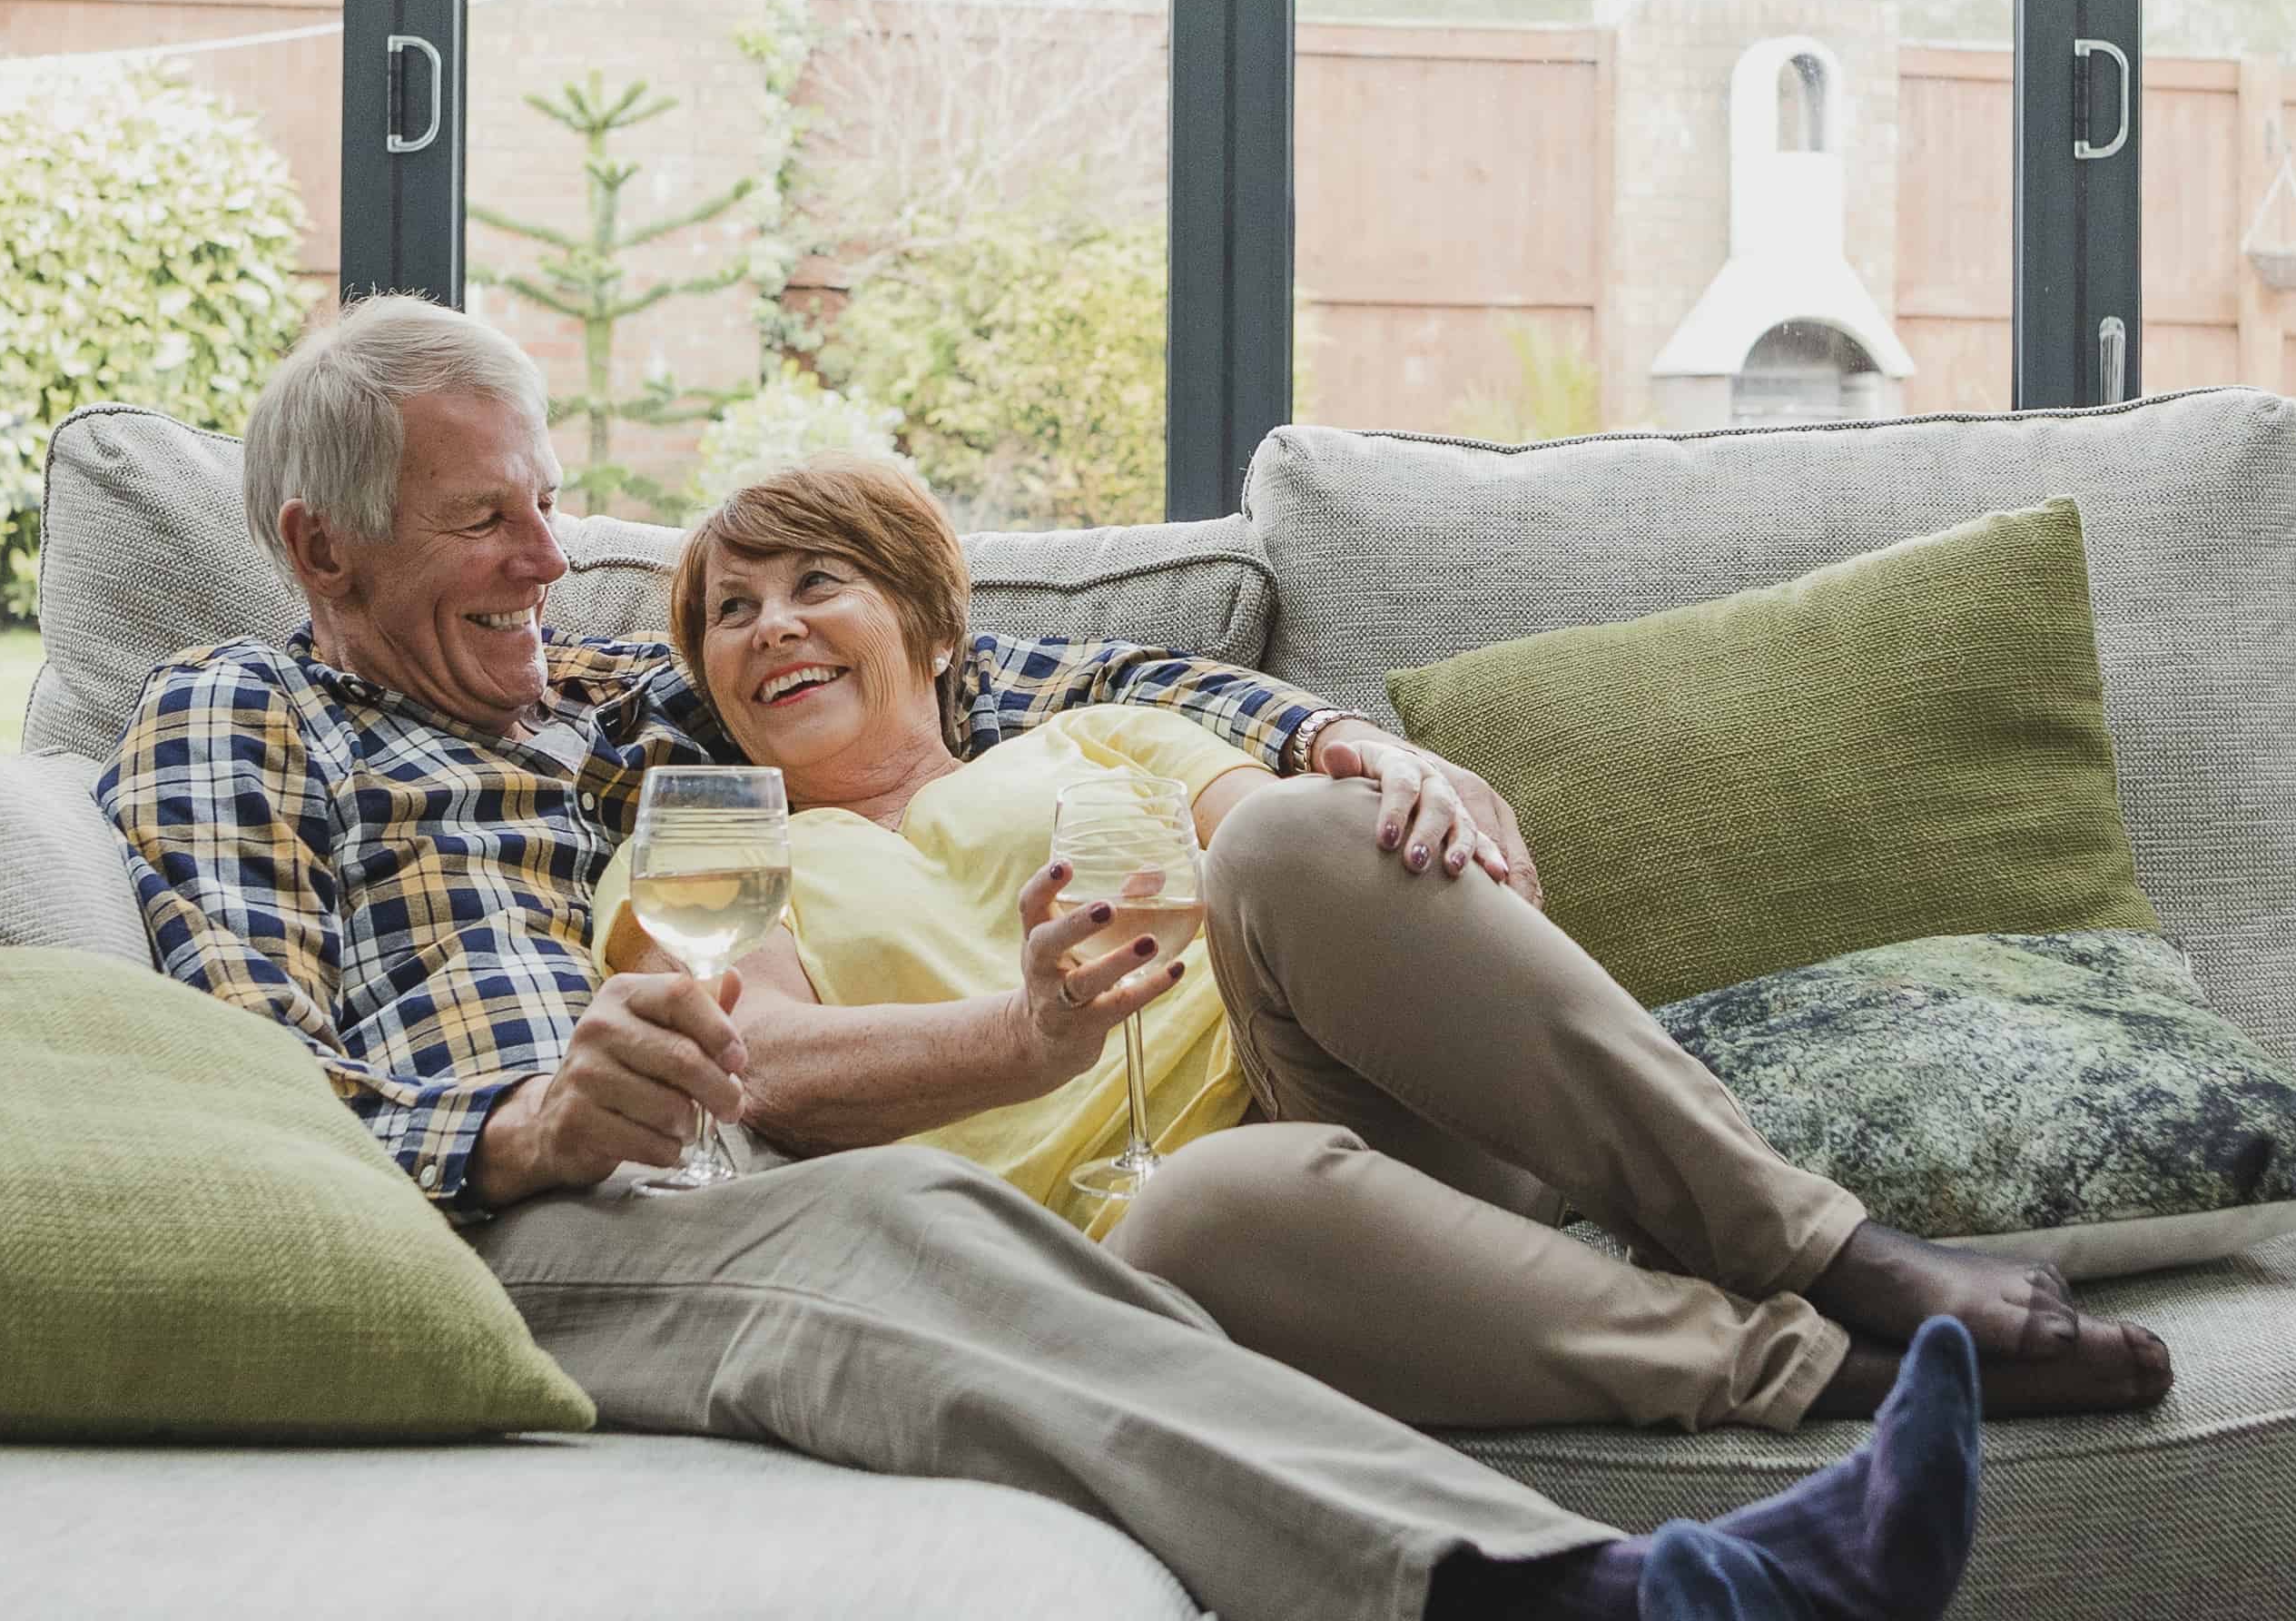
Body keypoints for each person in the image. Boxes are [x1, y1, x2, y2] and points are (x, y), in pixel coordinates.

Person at [103, 296, 1986, 1621]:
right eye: (485, 522)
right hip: (506, 1231)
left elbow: (985, 684)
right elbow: (246, 1081)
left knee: (970, 1247)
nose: (550, 554)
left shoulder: (605, 702)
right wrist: (515, 1127)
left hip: (720, 1183)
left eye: (545, 501)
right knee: (906, 1227)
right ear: (319, 552)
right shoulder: (241, 714)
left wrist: (1333, 743)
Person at [643, 454, 2177, 1432]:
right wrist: (1023, 1034)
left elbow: (1331, 885)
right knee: (1208, 1203)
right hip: (1168, 1260)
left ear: (926, 625)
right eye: (728, 611)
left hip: (1367, 1113)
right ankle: (1822, 1370)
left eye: (813, 584)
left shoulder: (1111, 736)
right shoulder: (718, 839)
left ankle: (1836, 1253)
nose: (768, 625)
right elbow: (756, 1066)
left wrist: (1400, 796)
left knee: (1301, 830)